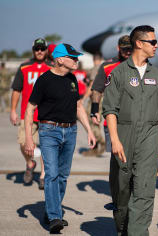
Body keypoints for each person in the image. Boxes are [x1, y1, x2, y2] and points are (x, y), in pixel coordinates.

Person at [102, 25, 158, 235]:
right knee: (121, 189)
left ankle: (138, 231)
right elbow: (110, 109)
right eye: (153, 42)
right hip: (123, 136)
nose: (156, 45)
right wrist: (114, 140)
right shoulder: (119, 73)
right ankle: (123, 227)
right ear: (139, 43)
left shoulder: (157, 75)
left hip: (149, 137)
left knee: (144, 189)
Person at [23, 43, 96, 233]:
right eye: (73, 57)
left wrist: (88, 130)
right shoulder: (44, 80)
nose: (76, 60)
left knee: (63, 176)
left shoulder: (72, 79)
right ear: (60, 59)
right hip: (49, 132)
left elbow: (79, 107)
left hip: (70, 132)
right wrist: (30, 139)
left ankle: (51, 209)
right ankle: (55, 216)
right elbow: (30, 109)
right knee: (52, 174)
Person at [10, 38, 51, 189]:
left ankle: (43, 175)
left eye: (42, 48)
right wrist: (13, 110)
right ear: (33, 50)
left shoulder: (52, 67)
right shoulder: (24, 67)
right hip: (27, 114)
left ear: (46, 50)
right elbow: (16, 90)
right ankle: (30, 163)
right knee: (23, 143)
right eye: (36, 48)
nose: (39, 51)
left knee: (47, 146)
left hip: (47, 114)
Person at [90, 35, 131, 156]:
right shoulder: (107, 66)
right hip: (112, 120)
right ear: (118, 48)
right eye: (125, 49)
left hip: (133, 121)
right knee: (116, 157)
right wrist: (94, 111)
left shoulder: (139, 65)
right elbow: (97, 89)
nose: (128, 52)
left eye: (130, 48)